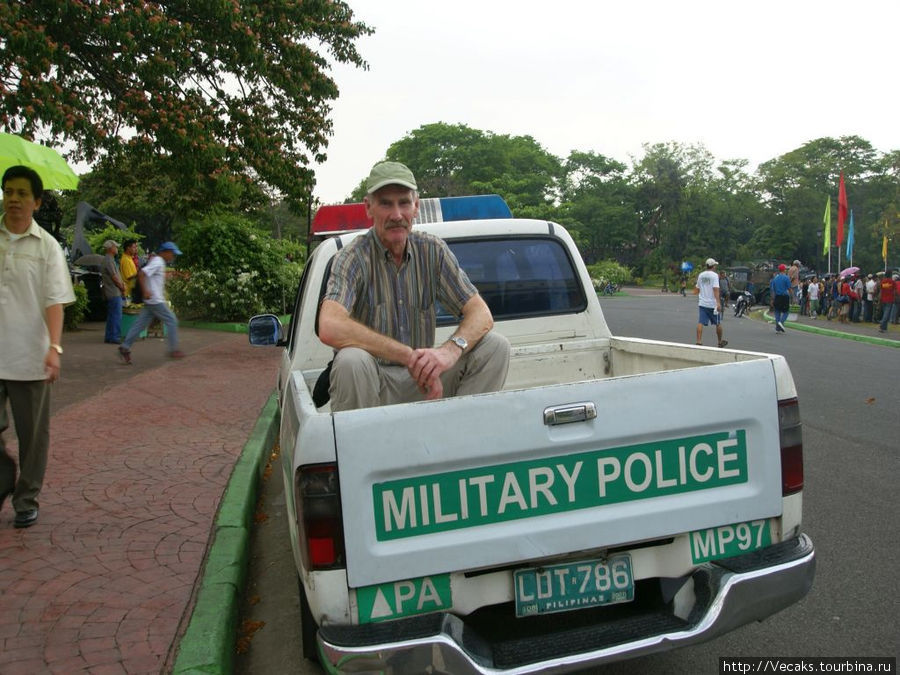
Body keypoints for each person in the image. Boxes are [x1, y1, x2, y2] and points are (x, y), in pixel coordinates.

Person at [317, 161, 510, 411]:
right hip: (375, 383)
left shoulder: (433, 251)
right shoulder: (352, 257)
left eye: (404, 202)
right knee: (350, 361)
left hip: (425, 380)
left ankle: (460, 440)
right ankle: (361, 447)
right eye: (386, 203)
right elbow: (329, 326)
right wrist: (408, 356)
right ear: (369, 208)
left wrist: (448, 353)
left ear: (416, 207)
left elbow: (481, 313)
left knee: (495, 347)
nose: (397, 215)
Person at [0, 165, 76, 528]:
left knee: (33, 437)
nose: (13, 199)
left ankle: (26, 499)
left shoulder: (46, 246)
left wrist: (55, 348)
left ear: (36, 202)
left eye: (21, 194)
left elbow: (54, 301)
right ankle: (3, 477)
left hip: (30, 356)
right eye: (8, 191)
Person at [117, 241, 185, 364]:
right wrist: (145, 291)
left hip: (152, 301)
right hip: (155, 300)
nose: (173, 256)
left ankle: (125, 346)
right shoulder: (158, 261)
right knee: (172, 320)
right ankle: (173, 349)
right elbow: (142, 274)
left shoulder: (158, 261)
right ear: (165, 252)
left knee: (140, 325)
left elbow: (152, 276)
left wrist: (173, 275)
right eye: (172, 254)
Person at [695, 258, 727, 347]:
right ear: (713, 266)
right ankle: (720, 341)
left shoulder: (701, 275)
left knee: (701, 322)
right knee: (718, 323)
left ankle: (699, 341)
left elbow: (697, 288)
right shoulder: (714, 276)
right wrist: (718, 303)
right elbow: (716, 289)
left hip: (703, 303)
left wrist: (699, 293)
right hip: (712, 304)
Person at [100, 240, 125, 344]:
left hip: (110, 291)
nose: (117, 248)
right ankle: (114, 336)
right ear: (111, 248)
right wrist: (121, 287)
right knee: (116, 315)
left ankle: (109, 336)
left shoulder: (108, 259)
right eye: (115, 247)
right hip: (114, 291)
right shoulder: (109, 260)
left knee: (111, 315)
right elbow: (114, 277)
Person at [770, 263, 791, 333]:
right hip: (785, 296)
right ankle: (781, 323)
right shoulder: (786, 278)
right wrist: (793, 296)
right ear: (784, 270)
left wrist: (772, 299)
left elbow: (773, 290)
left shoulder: (775, 279)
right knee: (786, 312)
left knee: (777, 311)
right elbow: (789, 288)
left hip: (777, 296)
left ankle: (778, 328)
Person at [120, 239, 139, 304]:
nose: (136, 249)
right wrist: (140, 273)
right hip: (127, 294)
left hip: (130, 292)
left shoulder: (129, 258)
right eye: (134, 247)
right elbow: (129, 277)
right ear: (128, 248)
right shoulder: (126, 260)